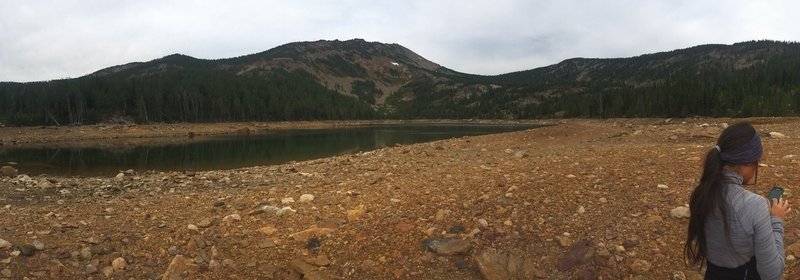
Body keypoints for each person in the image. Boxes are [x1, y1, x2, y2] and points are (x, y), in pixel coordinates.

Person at [684, 122, 791, 280]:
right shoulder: (755, 205)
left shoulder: (701, 194)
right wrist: (776, 221)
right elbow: (772, 273)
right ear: (747, 163)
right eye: (756, 162)